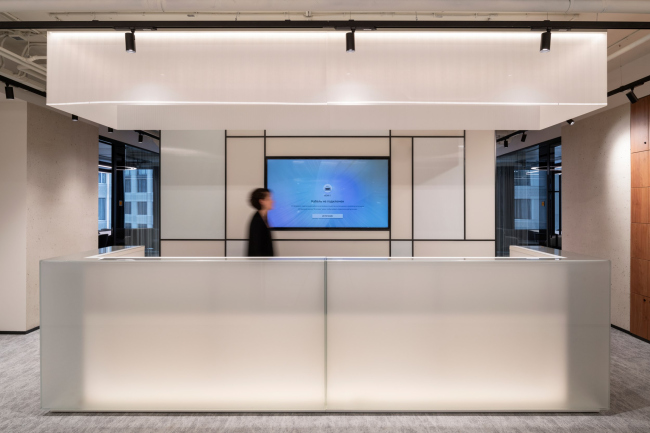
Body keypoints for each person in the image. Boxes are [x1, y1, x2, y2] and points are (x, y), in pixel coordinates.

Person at [247, 188, 274, 257]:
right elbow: (255, 248)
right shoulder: (257, 220)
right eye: (269, 199)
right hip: (260, 262)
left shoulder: (263, 218)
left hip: (265, 262)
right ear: (261, 201)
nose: (272, 201)